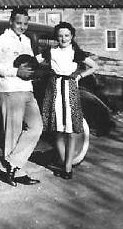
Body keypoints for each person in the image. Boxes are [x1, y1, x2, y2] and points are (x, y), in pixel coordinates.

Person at [0, 7, 42, 187]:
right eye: (19, 23)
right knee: (13, 132)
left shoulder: (26, 40)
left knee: (36, 127)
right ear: (11, 21)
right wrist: (14, 71)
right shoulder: (0, 40)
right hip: (10, 89)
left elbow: (31, 63)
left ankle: (12, 164)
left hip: (27, 88)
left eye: (25, 23)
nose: (22, 27)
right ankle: (16, 172)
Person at [36, 22, 97, 179]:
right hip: (54, 89)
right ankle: (63, 162)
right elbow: (34, 60)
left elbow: (93, 66)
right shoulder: (51, 51)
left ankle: (68, 167)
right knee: (57, 129)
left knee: (69, 130)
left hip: (70, 89)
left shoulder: (76, 52)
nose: (63, 39)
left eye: (66, 35)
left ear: (72, 37)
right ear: (56, 37)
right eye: (60, 35)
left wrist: (79, 76)